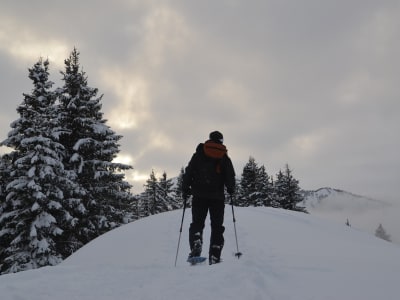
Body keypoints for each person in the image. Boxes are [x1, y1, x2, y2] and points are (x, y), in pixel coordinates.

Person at [182, 131, 236, 264]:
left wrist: (185, 188)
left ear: (209, 139)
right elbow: (230, 175)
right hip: (217, 197)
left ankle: (196, 241)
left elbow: (189, 172)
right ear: (221, 141)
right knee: (217, 226)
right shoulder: (224, 156)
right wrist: (230, 189)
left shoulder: (199, 154)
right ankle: (215, 254)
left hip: (199, 196)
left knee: (197, 223)